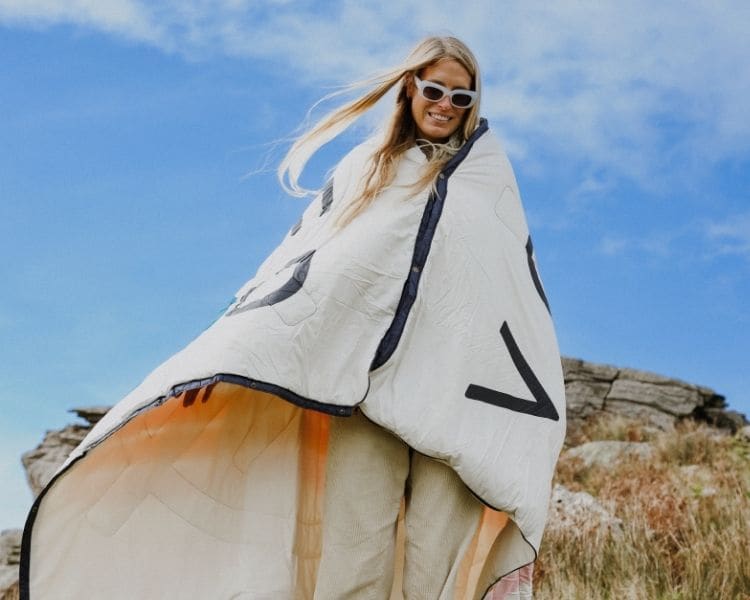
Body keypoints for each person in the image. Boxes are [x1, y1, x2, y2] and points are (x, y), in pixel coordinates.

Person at [21, 36, 564, 600]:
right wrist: (223, 357)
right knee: (351, 561)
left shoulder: (487, 184)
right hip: (358, 391)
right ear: (410, 89)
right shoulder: (366, 169)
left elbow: (514, 291)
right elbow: (299, 264)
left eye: (460, 96)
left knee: (438, 573)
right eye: (434, 90)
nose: (445, 105)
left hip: (453, 400)